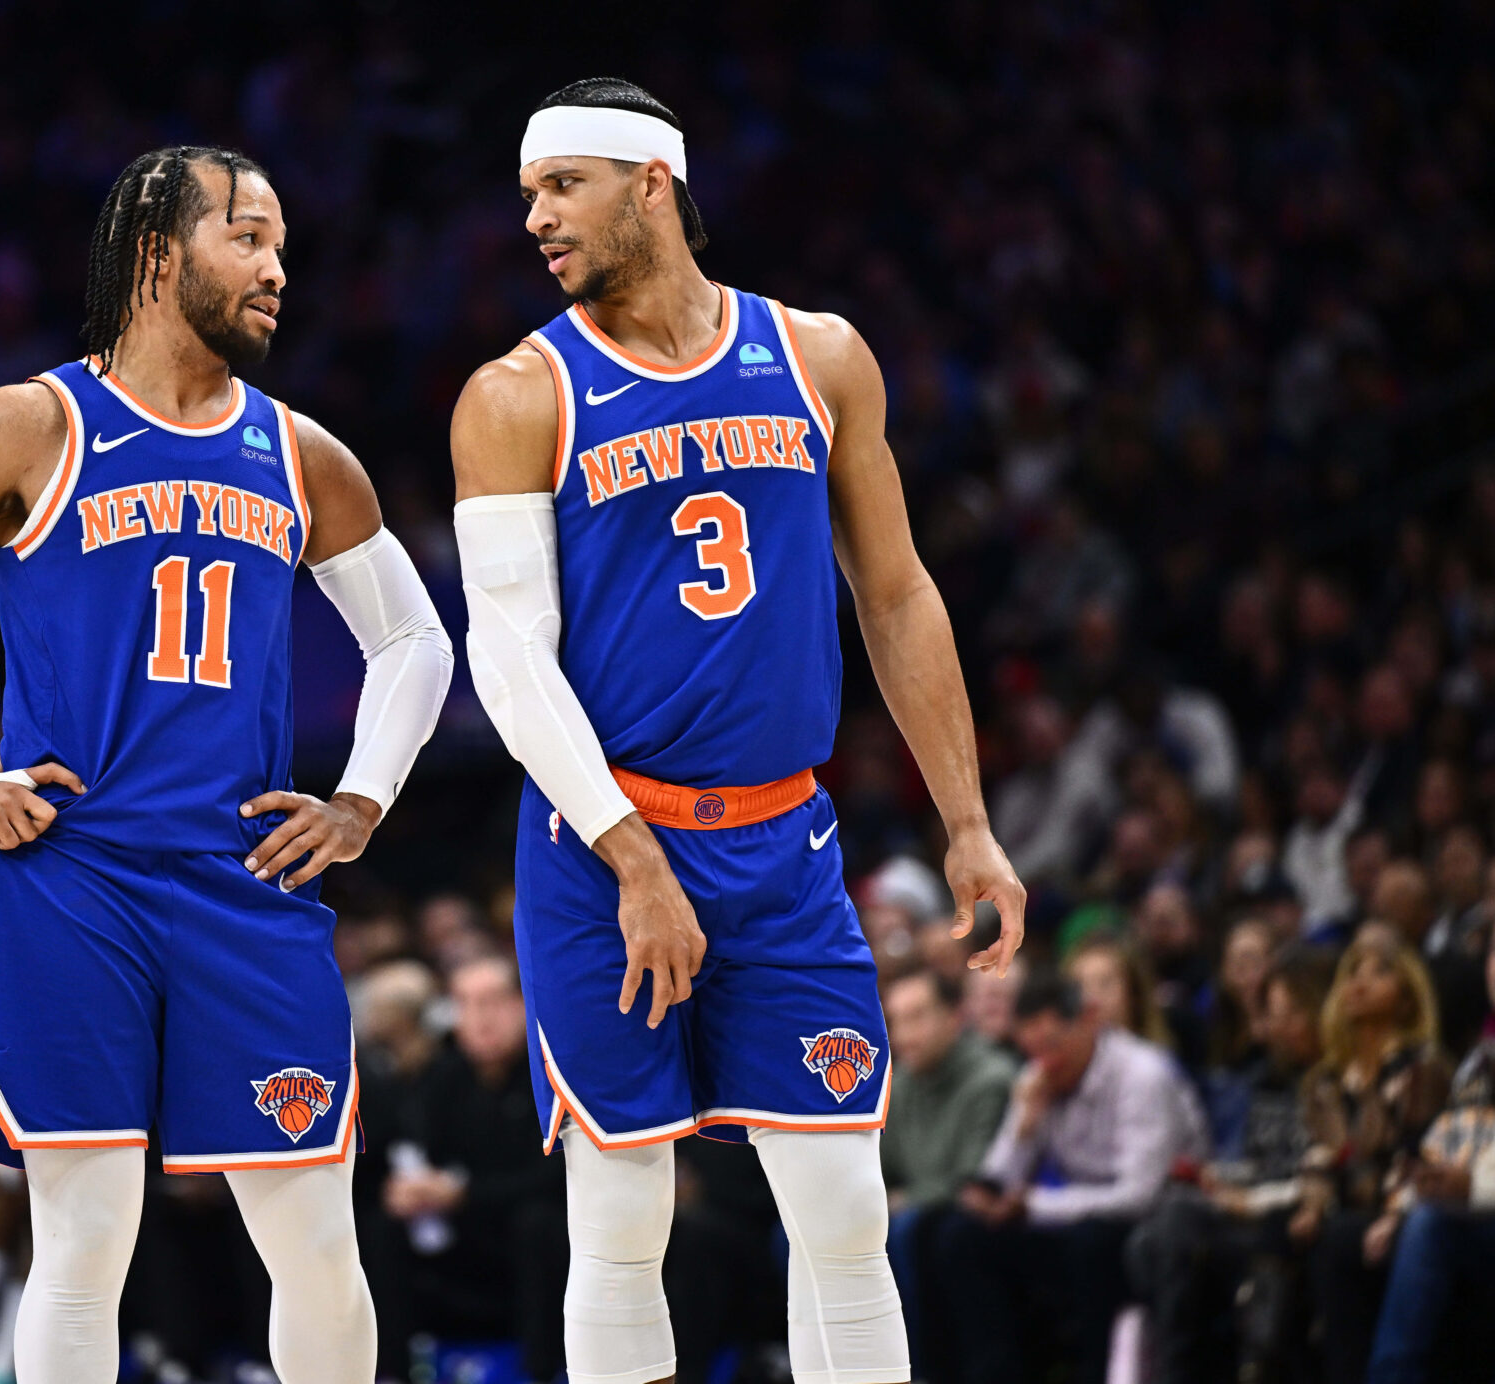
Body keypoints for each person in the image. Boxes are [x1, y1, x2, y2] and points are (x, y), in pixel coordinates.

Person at [0, 143, 454, 1384]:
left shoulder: (300, 452)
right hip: (72, 875)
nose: (276, 269)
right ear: (158, 255)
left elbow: (415, 641)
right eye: (246, 238)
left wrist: (361, 800)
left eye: (280, 245)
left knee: (319, 1245)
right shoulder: (30, 425)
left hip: (243, 876)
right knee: (83, 1242)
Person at [451, 77, 1026, 1384]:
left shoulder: (819, 354)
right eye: (529, 193)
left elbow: (896, 593)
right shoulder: (517, 393)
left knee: (844, 1213)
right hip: (603, 848)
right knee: (621, 1219)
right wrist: (634, 859)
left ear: (652, 183)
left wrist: (968, 823)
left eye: (563, 185)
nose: (535, 218)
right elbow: (508, 658)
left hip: (781, 840)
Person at [947, 970, 1208, 1384]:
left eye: (1053, 1045)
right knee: (964, 1235)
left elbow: (1140, 1195)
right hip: (1077, 1214)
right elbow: (998, 1179)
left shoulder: (1142, 1075)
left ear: (1087, 1021)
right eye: (1032, 1050)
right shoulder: (1038, 1076)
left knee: (1092, 1243)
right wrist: (1025, 1126)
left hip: (1156, 1218)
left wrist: (1033, 1205)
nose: (1046, 1061)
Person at [1127, 947, 1333, 1384]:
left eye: (1291, 1014)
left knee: (1181, 1232)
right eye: (1272, 1015)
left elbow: (1325, 1173)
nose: (1275, 1028)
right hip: (1254, 1210)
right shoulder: (1268, 1080)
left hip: (1296, 1219)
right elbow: (1258, 1164)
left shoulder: (1332, 1084)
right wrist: (1216, 1178)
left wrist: (1248, 1201)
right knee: (1172, 1218)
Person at [377, 955, 565, 1380]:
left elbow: (556, 1176)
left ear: (523, 1004)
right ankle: (390, 1372)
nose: (479, 1018)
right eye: (464, 1003)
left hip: (531, 1240)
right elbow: (416, 1152)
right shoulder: (444, 1076)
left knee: (537, 1223)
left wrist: (465, 1193)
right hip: (464, 1244)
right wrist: (408, 1189)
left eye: (492, 1002)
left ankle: (540, 1373)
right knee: (383, 1226)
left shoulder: (550, 1074)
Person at [1292, 930, 1452, 1384]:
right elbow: (1320, 1153)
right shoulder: (1326, 1079)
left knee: (1341, 1240)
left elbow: (1420, 1151)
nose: (1359, 984)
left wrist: (1394, 1214)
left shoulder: (1423, 1066)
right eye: (1352, 974)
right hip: (1344, 1206)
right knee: (1279, 1234)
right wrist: (1311, 1205)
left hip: (1402, 1209)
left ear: (1406, 1000)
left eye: (1379, 973)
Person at [1366, 936, 1495, 1383]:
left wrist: (1472, 1189)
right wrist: (1401, 1205)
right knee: (1393, 1228)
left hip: (1481, 1208)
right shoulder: (1479, 1063)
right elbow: (1441, 1151)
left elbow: (1472, 1181)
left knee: (1432, 1225)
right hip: (1479, 1217)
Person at [879, 963, 1016, 1381]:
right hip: (919, 1212)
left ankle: (917, 1371)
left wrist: (903, 1199)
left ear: (955, 1015)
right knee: (797, 1234)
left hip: (977, 1221)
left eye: (917, 1017)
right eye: (896, 1021)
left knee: (912, 1229)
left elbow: (974, 1181)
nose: (904, 1035)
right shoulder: (898, 1082)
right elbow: (880, 1171)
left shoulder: (992, 1078)